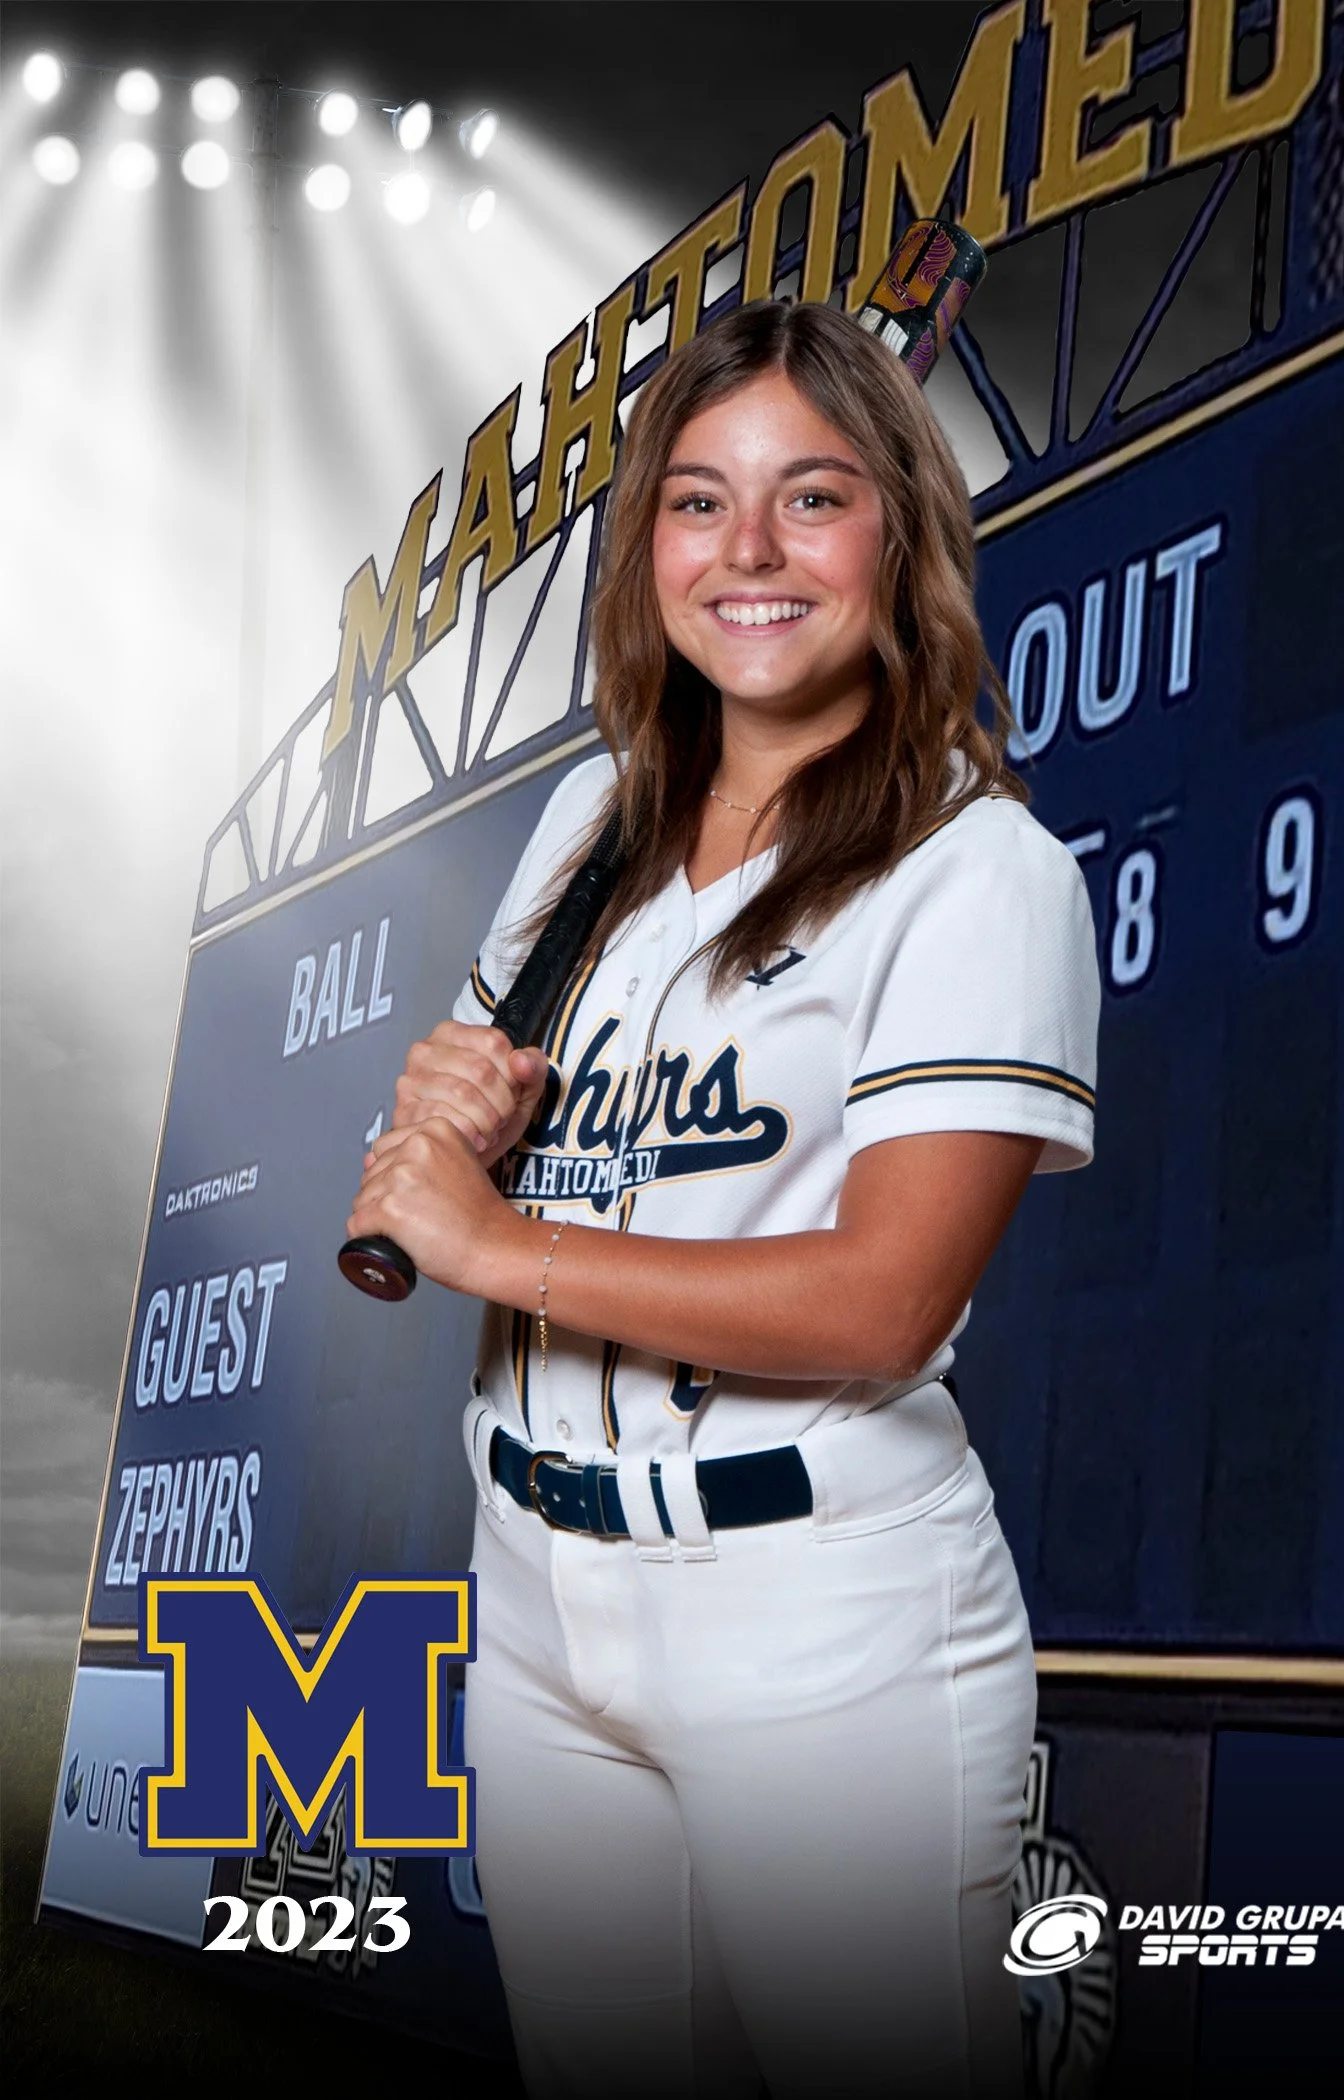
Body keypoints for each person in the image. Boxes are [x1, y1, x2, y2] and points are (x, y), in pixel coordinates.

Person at [345, 297, 1100, 2098]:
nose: (748, 552)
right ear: (650, 551)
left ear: (899, 539)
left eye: (811, 499)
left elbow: (880, 1301)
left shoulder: (979, 869)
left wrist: (495, 1235)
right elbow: (430, 1174)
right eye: (698, 503)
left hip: (816, 1613)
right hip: (534, 1586)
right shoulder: (592, 823)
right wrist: (447, 1112)